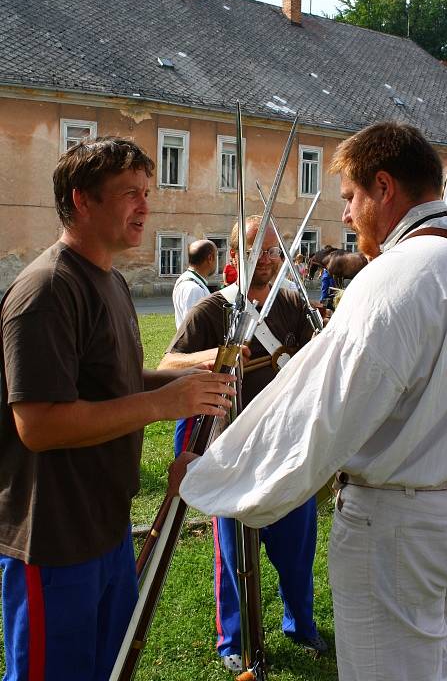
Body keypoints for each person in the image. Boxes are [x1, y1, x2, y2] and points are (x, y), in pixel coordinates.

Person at [169, 122, 447, 681]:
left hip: (408, 527)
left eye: (350, 198)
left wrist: (213, 477)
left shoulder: (398, 276)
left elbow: (318, 416)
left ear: (384, 187)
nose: (347, 217)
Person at [0, 137, 235, 681]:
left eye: (146, 192)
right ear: (82, 199)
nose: (146, 206)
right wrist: (160, 404)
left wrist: (188, 375)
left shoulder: (107, 279)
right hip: (54, 541)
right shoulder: (47, 290)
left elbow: (114, 384)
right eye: (130, 193)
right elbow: (38, 423)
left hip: (106, 526)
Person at [159, 215, 327, 672]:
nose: (269, 261)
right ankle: (233, 638)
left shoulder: (294, 303)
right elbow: (167, 364)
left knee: (297, 545)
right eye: (259, 252)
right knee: (234, 552)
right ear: (235, 256)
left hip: (287, 446)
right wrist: (209, 357)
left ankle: (301, 624)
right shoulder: (212, 311)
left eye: (274, 252)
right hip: (229, 447)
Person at [173, 239, 217, 329]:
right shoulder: (194, 289)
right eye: (217, 256)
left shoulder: (185, 279)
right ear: (210, 258)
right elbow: (195, 328)